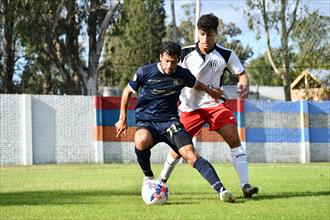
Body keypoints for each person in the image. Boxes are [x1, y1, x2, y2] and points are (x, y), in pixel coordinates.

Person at [115, 41, 235, 203]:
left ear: (179, 60)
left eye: (173, 62)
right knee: (141, 139)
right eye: (166, 61)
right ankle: (149, 178)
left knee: (191, 154)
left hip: (170, 123)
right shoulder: (145, 72)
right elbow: (127, 92)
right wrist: (122, 118)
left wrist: (211, 92)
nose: (169, 66)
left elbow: (196, 84)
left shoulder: (182, 74)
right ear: (160, 58)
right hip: (147, 122)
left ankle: (221, 190)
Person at [159, 14, 259, 198]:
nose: (205, 39)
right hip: (189, 107)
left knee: (233, 138)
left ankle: (245, 186)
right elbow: (170, 72)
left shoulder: (226, 54)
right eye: (202, 34)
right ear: (198, 32)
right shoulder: (184, 53)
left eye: (210, 34)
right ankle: (160, 182)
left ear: (216, 34)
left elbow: (242, 74)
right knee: (178, 149)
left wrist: (244, 83)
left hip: (215, 105)